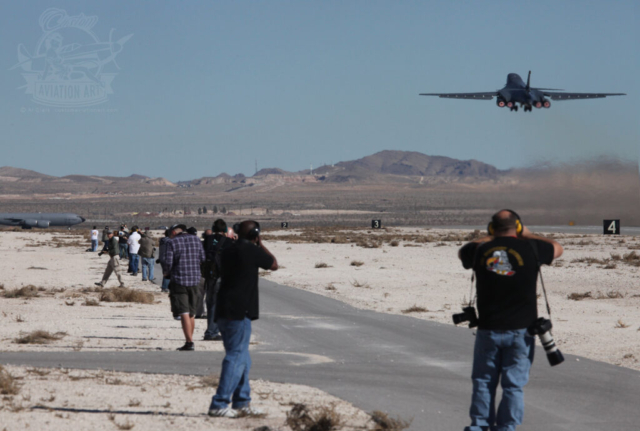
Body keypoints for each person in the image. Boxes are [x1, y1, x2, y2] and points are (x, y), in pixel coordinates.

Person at [458, 210, 563, 431]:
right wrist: (527, 234)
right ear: (517, 227)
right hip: (522, 331)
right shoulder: (533, 248)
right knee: (513, 386)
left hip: (488, 330)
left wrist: (491, 238)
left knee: (483, 383)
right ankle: (507, 428)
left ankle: (478, 427)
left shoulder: (480, 250)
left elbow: (463, 252)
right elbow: (557, 248)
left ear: (491, 228)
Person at [208, 220, 278, 418]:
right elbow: (273, 264)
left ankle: (242, 401)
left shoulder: (228, 249)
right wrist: (260, 243)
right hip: (238, 311)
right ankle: (220, 402)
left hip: (224, 308)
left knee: (243, 358)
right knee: (236, 356)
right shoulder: (251, 250)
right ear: (255, 234)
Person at [163, 224, 206, 351]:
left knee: (184, 312)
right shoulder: (196, 239)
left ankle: (189, 342)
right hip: (195, 280)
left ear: (174, 233)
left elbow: (168, 262)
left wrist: (166, 272)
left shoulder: (172, 242)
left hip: (179, 280)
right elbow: (203, 258)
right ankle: (190, 340)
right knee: (191, 313)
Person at [202, 219, 233, 341]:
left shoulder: (207, 240)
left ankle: (212, 330)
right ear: (225, 230)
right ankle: (212, 331)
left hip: (209, 275)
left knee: (210, 304)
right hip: (222, 276)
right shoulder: (229, 242)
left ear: (213, 229)